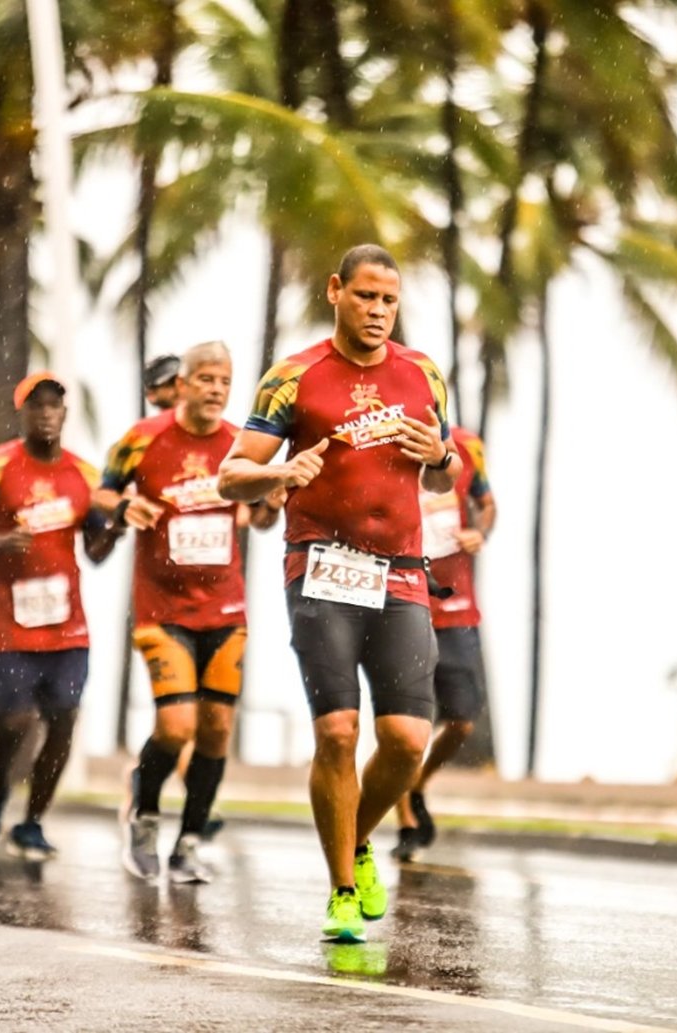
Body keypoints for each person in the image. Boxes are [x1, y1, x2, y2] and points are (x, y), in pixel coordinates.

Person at [218, 244, 461, 942]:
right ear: (336, 292)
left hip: (403, 572)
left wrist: (439, 457)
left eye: (389, 299)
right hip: (321, 567)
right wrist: (280, 472)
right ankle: (344, 890)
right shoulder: (293, 377)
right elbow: (233, 474)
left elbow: (443, 476)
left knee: (407, 742)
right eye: (366, 296)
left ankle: (354, 836)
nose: (379, 311)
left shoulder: (423, 374)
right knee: (338, 732)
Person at [97, 341, 282, 883]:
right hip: (162, 608)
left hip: (225, 607)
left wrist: (272, 500)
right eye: (205, 379)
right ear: (182, 385)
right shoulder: (143, 439)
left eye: (224, 381)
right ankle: (145, 813)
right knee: (176, 727)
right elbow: (101, 494)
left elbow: (261, 518)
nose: (215, 390)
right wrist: (124, 505)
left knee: (217, 730)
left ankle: (189, 844)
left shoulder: (239, 447)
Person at [0, 373, 122, 859]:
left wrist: (114, 529)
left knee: (63, 722)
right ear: (22, 413)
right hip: (7, 625)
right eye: (37, 406)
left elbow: (95, 550)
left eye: (55, 406)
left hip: (67, 627)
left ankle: (31, 823)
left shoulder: (85, 476)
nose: (47, 413)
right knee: (14, 722)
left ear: (65, 415)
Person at [393, 425, 496, 861]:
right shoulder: (386, 445)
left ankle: (416, 783)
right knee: (401, 726)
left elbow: (486, 505)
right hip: (401, 603)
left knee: (461, 721)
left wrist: (480, 533)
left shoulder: (467, 445)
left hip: (455, 607)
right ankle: (406, 822)